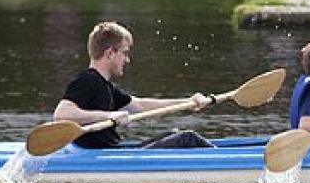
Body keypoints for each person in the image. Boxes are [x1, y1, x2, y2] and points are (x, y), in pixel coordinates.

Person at [52, 21, 214, 148]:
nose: (127, 60)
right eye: (125, 53)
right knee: (187, 138)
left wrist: (188, 102)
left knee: (174, 134)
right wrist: (109, 116)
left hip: (112, 151)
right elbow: (61, 115)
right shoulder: (88, 80)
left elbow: (140, 105)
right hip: (103, 158)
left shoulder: (106, 86)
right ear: (110, 53)